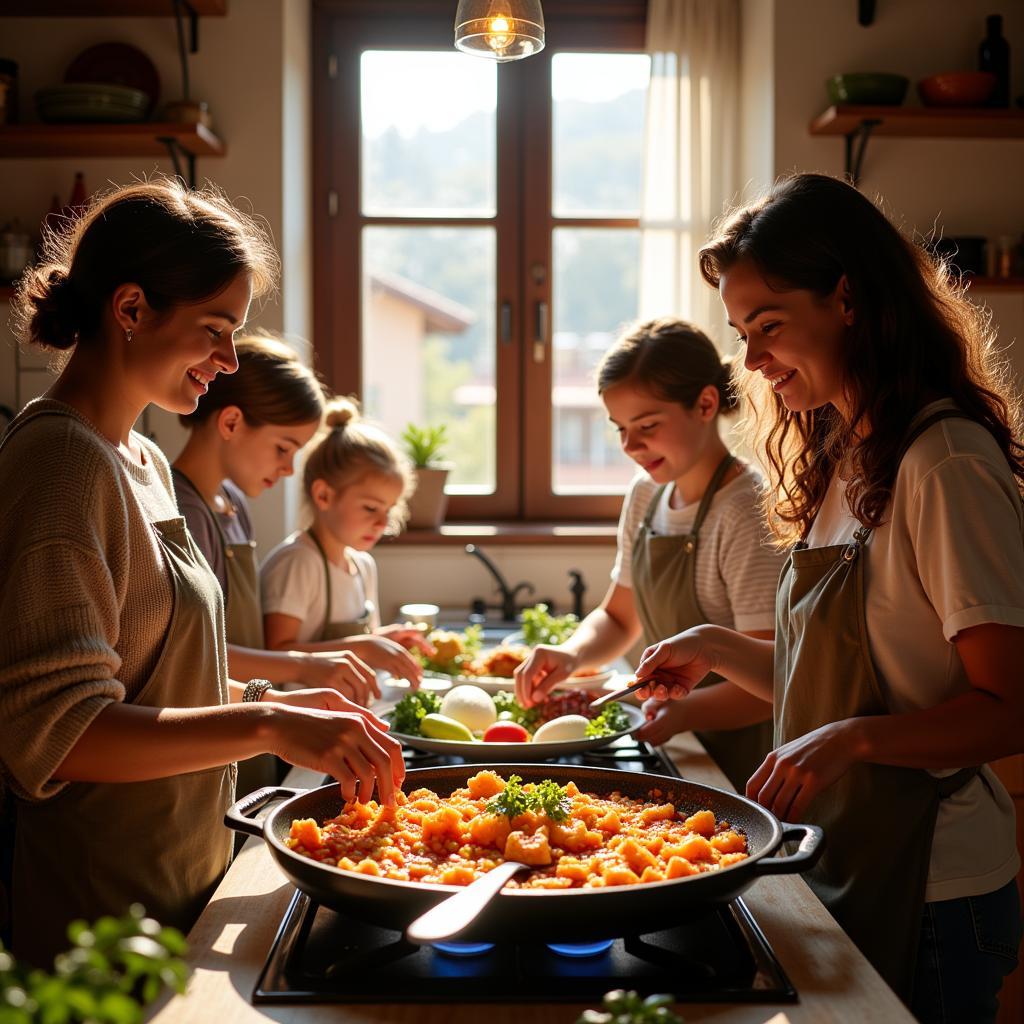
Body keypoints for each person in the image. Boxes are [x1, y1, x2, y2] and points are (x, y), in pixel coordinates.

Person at [634, 173, 1023, 1020]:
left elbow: (1009, 706)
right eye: (742, 333)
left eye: (769, 326)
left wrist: (849, 740)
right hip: (847, 854)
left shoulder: (944, 461)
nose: (753, 360)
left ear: (848, 298)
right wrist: (717, 646)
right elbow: (839, 686)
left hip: (935, 886)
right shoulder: (846, 459)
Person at [0, 179, 404, 967]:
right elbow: (59, 731)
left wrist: (269, 697)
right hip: (101, 914)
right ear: (129, 310)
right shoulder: (59, 465)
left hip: (180, 875)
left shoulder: (141, 457)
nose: (227, 362)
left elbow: (145, 682)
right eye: (215, 331)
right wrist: (268, 724)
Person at [514, 318, 786, 790]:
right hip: (681, 743)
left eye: (647, 426)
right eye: (620, 428)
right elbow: (620, 619)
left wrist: (682, 711)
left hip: (743, 763)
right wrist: (571, 654)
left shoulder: (746, 510)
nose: (630, 445)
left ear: (705, 403)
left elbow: (771, 683)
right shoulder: (647, 494)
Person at [172, 332, 382, 708]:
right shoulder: (181, 510)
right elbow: (194, 655)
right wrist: (305, 666)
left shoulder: (232, 502)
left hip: (246, 713)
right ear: (232, 423)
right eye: (283, 449)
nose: (288, 469)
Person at [261, 398, 432, 675]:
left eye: (389, 509)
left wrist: (383, 641)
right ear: (323, 495)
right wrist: (362, 647)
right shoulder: (298, 562)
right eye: (370, 508)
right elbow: (275, 652)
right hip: (304, 714)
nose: (383, 522)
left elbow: (364, 641)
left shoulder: (363, 566)